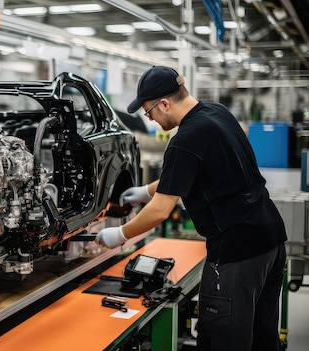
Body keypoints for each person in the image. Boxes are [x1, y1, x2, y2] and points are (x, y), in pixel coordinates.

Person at [95, 66, 287, 351]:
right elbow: (191, 171)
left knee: (223, 340)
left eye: (149, 113)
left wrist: (119, 234)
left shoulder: (184, 140)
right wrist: (145, 192)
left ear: (164, 103)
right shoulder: (216, 113)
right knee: (261, 337)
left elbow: (161, 210)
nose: (152, 119)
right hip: (270, 240)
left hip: (237, 253)